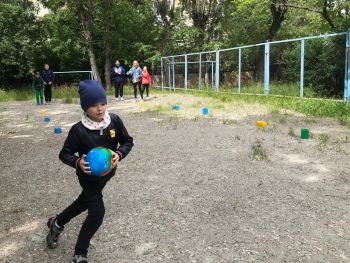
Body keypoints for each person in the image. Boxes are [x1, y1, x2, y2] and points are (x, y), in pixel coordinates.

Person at [46, 80, 134, 263]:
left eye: (102, 103)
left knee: (83, 201)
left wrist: (119, 154)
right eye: (94, 105)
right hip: (87, 178)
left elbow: (127, 141)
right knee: (97, 213)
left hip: (106, 175)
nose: (100, 109)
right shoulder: (78, 130)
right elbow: (64, 154)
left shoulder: (114, 121)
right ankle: (80, 254)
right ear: (85, 107)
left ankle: (56, 223)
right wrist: (78, 161)